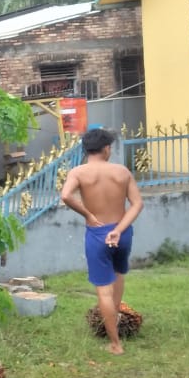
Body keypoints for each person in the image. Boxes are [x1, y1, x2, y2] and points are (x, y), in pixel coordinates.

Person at [59, 128, 144, 355]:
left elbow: (66, 196)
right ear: (106, 149)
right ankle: (114, 323)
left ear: (86, 149)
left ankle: (115, 344)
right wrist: (118, 230)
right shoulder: (122, 171)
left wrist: (87, 214)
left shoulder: (78, 172)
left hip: (97, 234)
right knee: (118, 276)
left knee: (103, 290)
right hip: (122, 232)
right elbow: (137, 204)